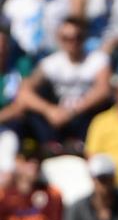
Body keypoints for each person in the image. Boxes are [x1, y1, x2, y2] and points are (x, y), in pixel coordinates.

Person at [13, 17, 110, 145]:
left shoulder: (97, 59)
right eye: (67, 38)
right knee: (28, 114)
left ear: (85, 37)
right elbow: (24, 92)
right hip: (57, 115)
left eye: (77, 37)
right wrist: (49, 110)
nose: (72, 42)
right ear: (60, 39)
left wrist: (73, 112)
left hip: (86, 114)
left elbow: (103, 90)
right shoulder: (51, 63)